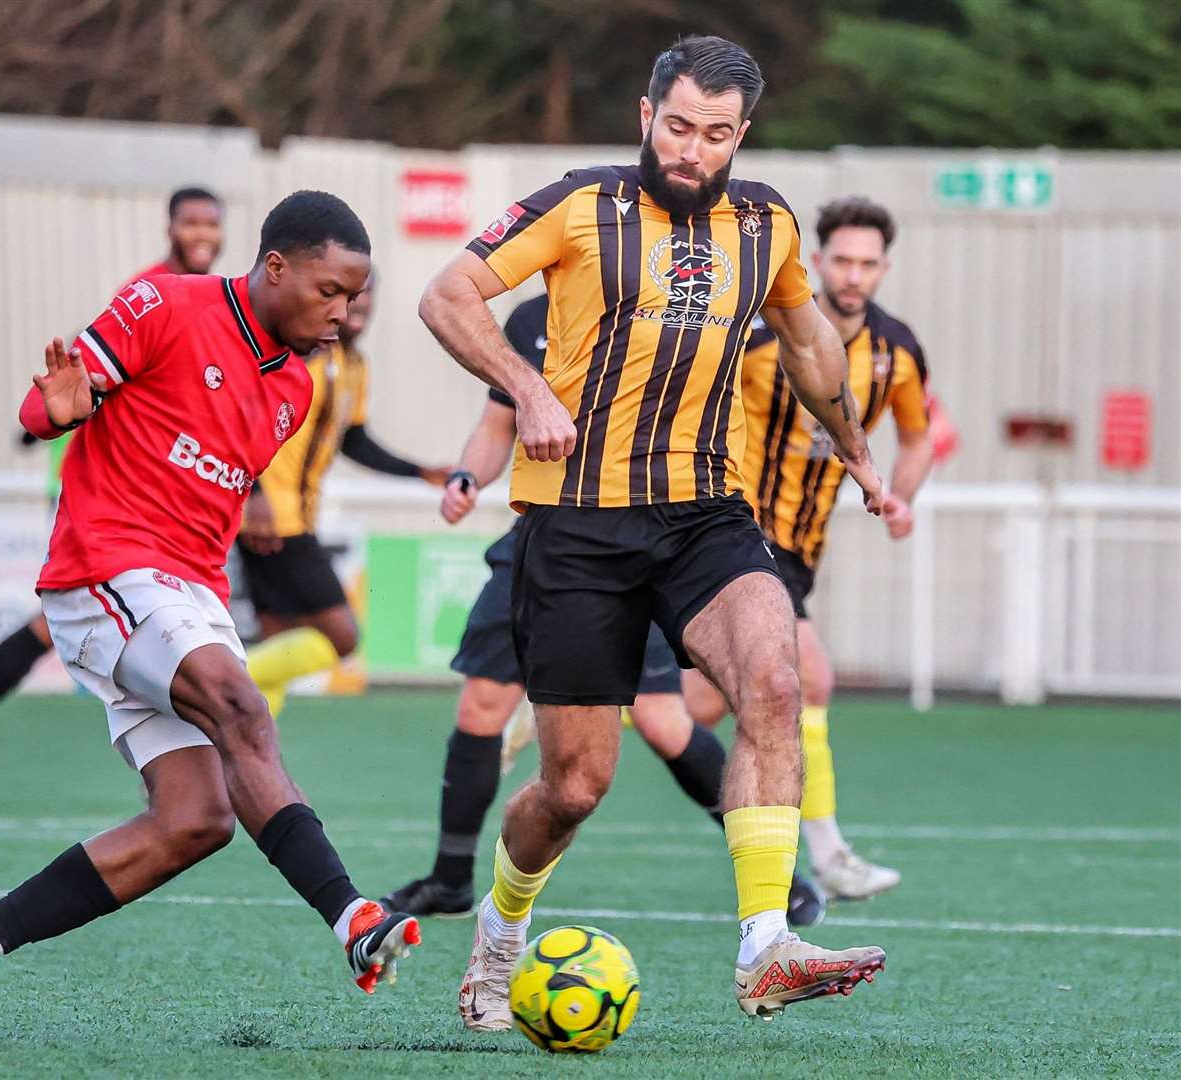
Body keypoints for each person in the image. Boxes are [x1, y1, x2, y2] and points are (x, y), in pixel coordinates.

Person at [418, 36, 891, 1027]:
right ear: (645, 116)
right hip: (577, 527)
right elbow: (445, 295)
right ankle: (497, 937)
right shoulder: (574, 205)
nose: (691, 150)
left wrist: (852, 449)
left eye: (714, 134)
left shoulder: (765, 224)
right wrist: (523, 386)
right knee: (575, 785)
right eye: (676, 126)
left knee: (773, 676)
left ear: (740, 135)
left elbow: (806, 339)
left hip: (704, 512)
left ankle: (764, 946)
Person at [0, 191, 421, 1041]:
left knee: (197, 819)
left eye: (354, 298)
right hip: (105, 567)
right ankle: (350, 917)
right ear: (277, 266)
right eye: (330, 291)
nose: (343, 312)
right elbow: (48, 407)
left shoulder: (292, 388)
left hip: (187, 593)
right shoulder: (166, 303)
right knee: (241, 707)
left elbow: (213, 499)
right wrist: (56, 412)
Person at [381, 294, 826, 929]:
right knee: (482, 705)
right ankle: (450, 876)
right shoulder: (531, 319)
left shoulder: (666, 309)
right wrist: (467, 478)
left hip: (639, 542)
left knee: (663, 722)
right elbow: (497, 425)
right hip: (539, 539)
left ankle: (773, 882)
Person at [0, 187, 226, 811]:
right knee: (92, 622)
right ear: (170, 226)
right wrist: (41, 423)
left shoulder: (212, 299)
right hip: (115, 486)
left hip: (162, 498)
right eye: (191, 220)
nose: (203, 232)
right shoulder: (153, 289)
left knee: (82, 626)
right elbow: (88, 374)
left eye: (212, 222)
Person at [683, 195, 934, 902]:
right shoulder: (763, 337)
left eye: (868, 263)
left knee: (692, 706)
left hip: (803, 548)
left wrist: (900, 495)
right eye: (842, 261)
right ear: (817, 262)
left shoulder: (897, 352)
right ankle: (827, 855)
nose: (854, 276)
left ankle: (588, 698)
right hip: (737, 532)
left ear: (884, 267)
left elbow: (916, 439)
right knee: (810, 679)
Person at [241, 271, 450, 714]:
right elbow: (244, 419)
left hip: (297, 517)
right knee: (343, 637)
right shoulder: (300, 355)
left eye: (366, 294)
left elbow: (352, 439)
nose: (360, 305)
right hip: (273, 517)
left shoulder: (355, 366)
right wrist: (253, 493)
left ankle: (239, 762)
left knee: (276, 640)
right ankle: (225, 680)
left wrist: (417, 471)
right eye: (347, 296)